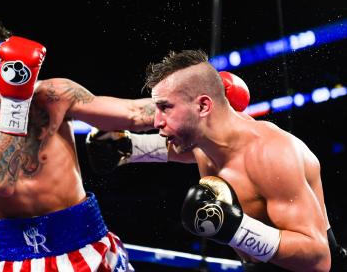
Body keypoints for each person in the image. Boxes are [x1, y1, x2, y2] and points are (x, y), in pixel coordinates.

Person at [86, 50, 347, 271]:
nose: (156, 122)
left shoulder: (273, 155)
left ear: (203, 106)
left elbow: (318, 258)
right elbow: (175, 148)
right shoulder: (202, 140)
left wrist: (235, 228)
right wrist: (128, 147)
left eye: (166, 108)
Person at [0, 20, 156, 272]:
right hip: (14, 259)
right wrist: (16, 102)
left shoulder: (52, 97)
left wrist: (189, 102)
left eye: (2, 74)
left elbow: (135, 114)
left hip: (88, 247)